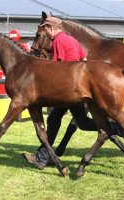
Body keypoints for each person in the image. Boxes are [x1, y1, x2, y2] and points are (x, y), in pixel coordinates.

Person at [22, 16, 98, 169]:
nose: (46, 33)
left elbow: (57, 68)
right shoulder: (72, 40)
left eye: (46, 29)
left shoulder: (58, 41)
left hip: (67, 90)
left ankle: (116, 128)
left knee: (56, 119)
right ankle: (42, 157)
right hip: (78, 87)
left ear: (51, 28)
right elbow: (83, 58)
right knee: (78, 122)